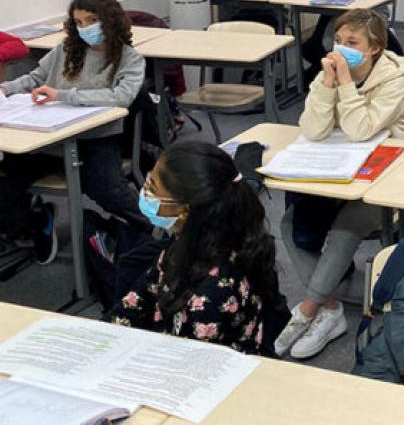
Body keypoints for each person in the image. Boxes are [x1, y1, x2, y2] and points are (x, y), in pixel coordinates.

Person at [275, 9, 404, 359]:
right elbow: (313, 129)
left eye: (352, 42)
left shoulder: (392, 79)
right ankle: (330, 308)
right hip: (336, 168)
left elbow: (360, 130)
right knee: (290, 224)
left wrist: (346, 83)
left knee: (344, 228)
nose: (341, 48)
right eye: (338, 40)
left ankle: (308, 307)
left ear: (374, 48)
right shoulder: (328, 73)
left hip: (382, 176)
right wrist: (327, 84)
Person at [0, 0, 146, 262]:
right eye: (79, 23)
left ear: (109, 19)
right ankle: (33, 223)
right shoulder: (66, 50)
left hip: (97, 137)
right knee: (7, 179)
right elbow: (36, 77)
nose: (85, 28)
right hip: (52, 135)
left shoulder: (129, 58)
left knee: (106, 189)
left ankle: (153, 231)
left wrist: (64, 95)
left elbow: (121, 96)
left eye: (91, 21)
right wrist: (5, 89)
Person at [110, 142, 284, 355]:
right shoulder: (192, 240)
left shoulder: (212, 293)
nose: (144, 191)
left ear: (184, 210)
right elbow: (140, 295)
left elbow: (189, 362)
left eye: (152, 188)